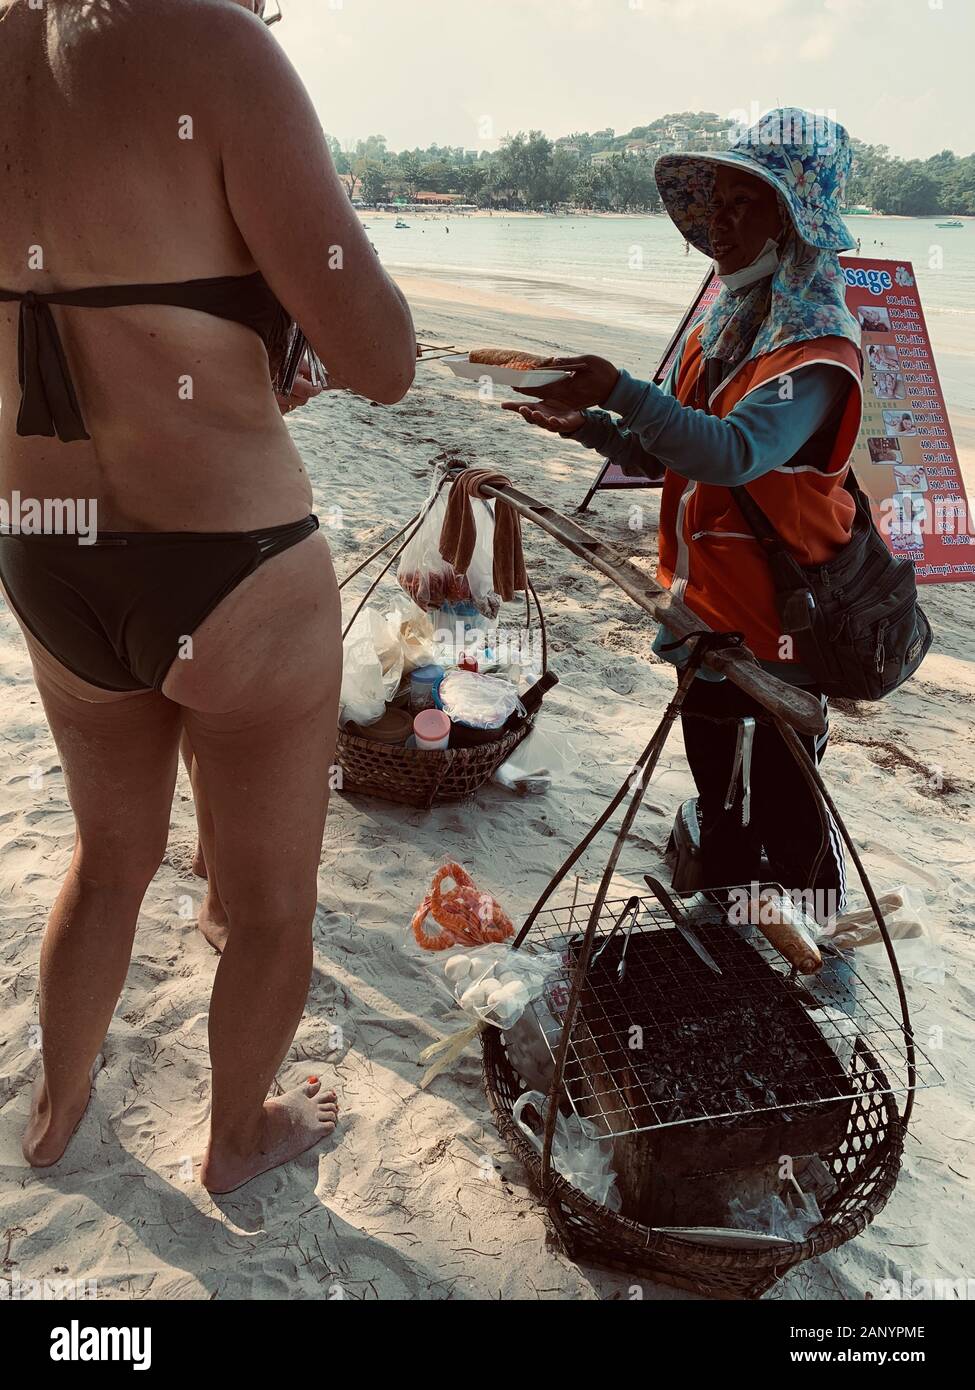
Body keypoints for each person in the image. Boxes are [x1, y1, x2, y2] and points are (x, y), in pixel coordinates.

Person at [0, 0, 415, 1191]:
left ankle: (58, 1104)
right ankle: (239, 1139)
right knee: (275, 899)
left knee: (108, 858)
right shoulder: (217, 45)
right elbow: (383, 361)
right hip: (232, 559)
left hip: (48, 546)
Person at [505, 108, 864, 922]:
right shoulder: (726, 326)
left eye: (748, 200)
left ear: (795, 217)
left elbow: (734, 454)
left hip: (778, 626)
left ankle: (817, 938)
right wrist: (597, 427)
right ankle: (730, 921)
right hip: (705, 614)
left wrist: (619, 391)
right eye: (718, 200)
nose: (719, 221)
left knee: (783, 791)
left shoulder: (816, 349)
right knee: (715, 772)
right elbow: (679, 451)